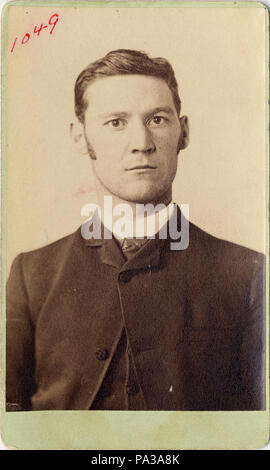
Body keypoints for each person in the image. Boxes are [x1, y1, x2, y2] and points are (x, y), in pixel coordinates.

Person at [6, 49, 265, 411]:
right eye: (116, 122)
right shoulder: (30, 275)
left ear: (184, 132)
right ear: (80, 137)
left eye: (158, 119)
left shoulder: (248, 273)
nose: (141, 143)